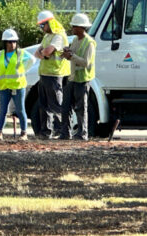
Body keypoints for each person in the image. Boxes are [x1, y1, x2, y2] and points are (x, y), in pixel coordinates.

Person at [0, 29, 35, 141]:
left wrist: (24, 70)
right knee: (3, 111)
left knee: (20, 110)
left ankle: (24, 133)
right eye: (10, 42)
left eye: (14, 42)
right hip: (4, 87)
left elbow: (32, 60)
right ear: (5, 42)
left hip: (18, 86)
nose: (13, 44)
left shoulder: (21, 53)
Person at [34, 10, 70, 139]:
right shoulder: (47, 37)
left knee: (56, 105)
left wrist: (44, 53)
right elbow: (37, 53)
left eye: (42, 25)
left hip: (55, 75)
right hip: (44, 74)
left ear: (50, 23)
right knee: (44, 106)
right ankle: (46, 132)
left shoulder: (58, 36)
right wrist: (44, 53)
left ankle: (63, 131)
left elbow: (47, 51)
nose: (41, 28)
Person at [60, 13, 96, 141]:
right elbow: (73, 55)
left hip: (83, 80)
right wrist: (67, 53)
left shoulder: (90, 43)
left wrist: (71, 56)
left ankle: (82, 134)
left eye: (74, 26)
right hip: (73, 78)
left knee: (81, 108)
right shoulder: (75, 40)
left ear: (81, 27)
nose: (72, 28)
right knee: (66, 107)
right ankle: (65, 133)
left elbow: (86, 62)